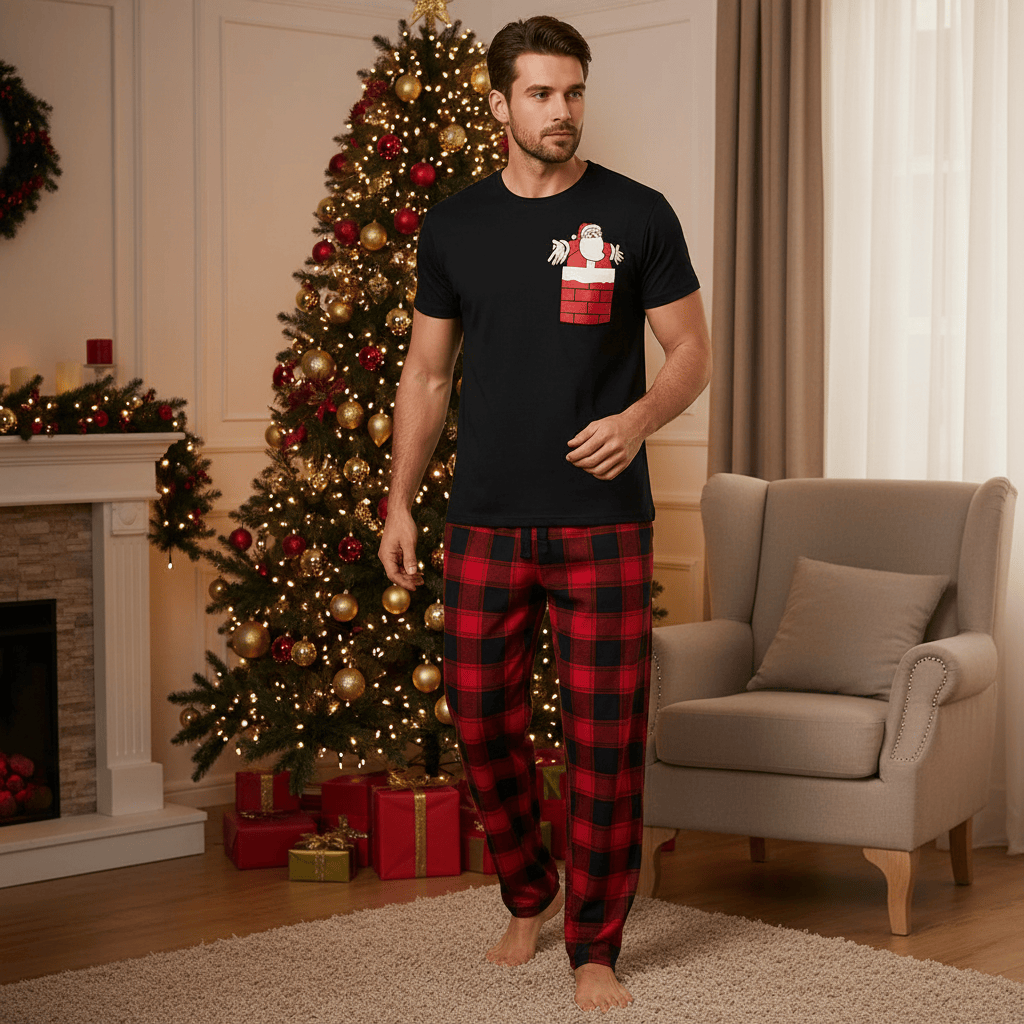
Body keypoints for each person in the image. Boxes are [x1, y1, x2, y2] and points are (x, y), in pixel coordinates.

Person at [379, 14, 711, 1013]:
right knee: (483, 718)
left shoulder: (638, 213)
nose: (560, 110)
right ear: (499, 105)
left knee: (605, 739)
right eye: (539, 93)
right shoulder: (456, 226)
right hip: (482, 518)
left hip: (604, 519)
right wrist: (397, 499)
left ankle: (594, 941)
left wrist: (641, 415)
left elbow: (691, 350)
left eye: (572, 92)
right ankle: (528, 888)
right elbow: (427, 376)